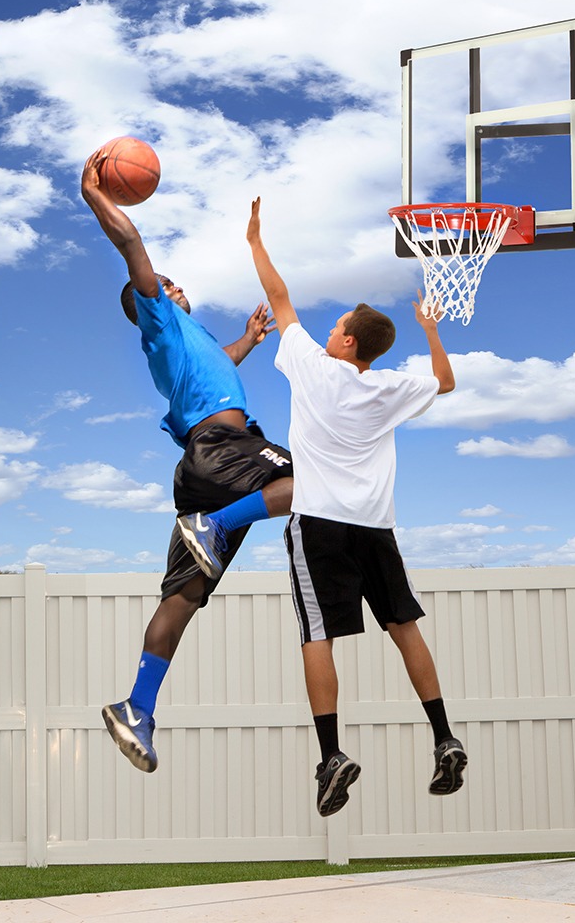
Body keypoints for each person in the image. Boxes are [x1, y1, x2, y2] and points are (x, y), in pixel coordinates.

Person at [243, 195, 467, 816]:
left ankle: (331, 755)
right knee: (405, 628)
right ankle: (444, 736)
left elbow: (281, 298)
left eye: (338, 324)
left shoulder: (315, 369)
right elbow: (446, 382)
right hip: (376, 528)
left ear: (344, 341)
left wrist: (255, 240)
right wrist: (430, 328)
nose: (332, 328)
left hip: (319, 526)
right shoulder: (389, 387)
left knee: (318, 634)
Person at [81, 150, 293, 774]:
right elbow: (133, 245)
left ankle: (136, 707)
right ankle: (220, 522)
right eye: (166, 285)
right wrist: (97, 195)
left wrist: (249, 343)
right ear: (152, 300)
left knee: (184, 594)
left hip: (202, 467)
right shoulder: (158, 319)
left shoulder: (189, 342)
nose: (174, 287)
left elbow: (217, 368)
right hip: (223, 453)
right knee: (316, 480)